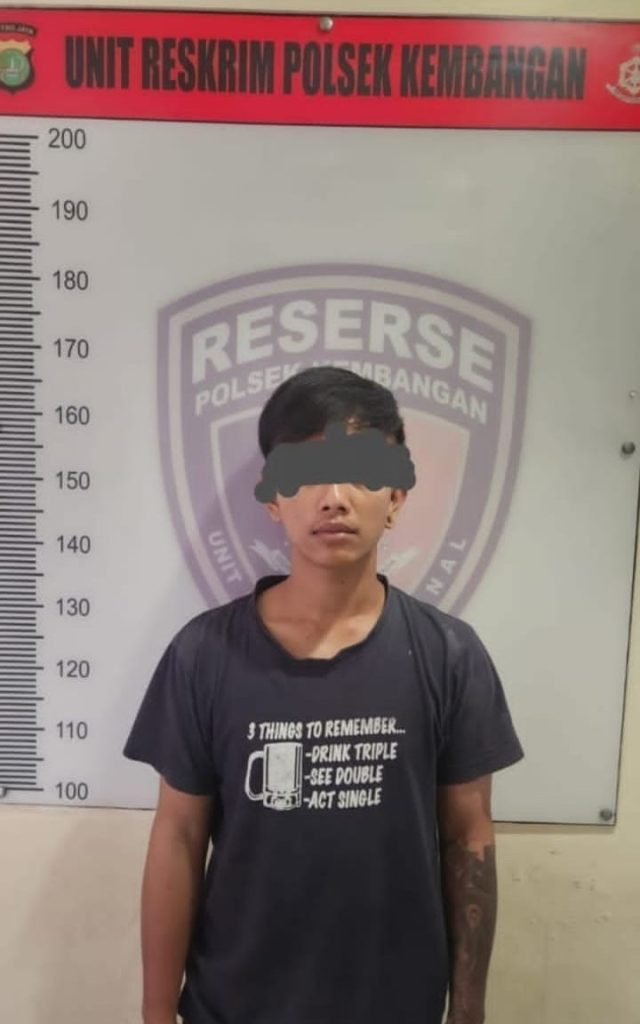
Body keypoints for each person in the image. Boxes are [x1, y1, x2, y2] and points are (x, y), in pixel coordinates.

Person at [123, 365, 525, 1024]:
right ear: (273, 498)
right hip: (232, 1006)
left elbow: (468, 837)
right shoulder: (203, 655)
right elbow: (178, 836)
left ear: (396, 496)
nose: (333, 498)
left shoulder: (450, 655)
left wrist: (470, 1012)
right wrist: (154, 1013)